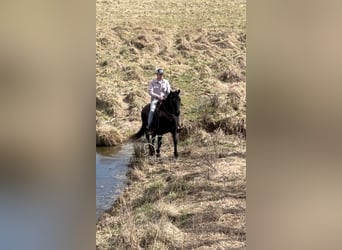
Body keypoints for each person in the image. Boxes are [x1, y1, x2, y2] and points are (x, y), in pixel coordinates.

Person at [147, 68, 171, 134]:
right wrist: (158, 96)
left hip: (164, 99)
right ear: (156, 74)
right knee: (152, 110)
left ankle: (176, 126)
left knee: (173, 108)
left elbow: (168, 91)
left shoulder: (166, 82)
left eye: (162, 74)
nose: (160, 75)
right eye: (159, 74)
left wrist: (165, 97)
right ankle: (149, 127)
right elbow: (150, 92)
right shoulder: (152, 82)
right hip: (155, 100)